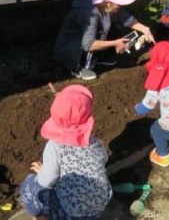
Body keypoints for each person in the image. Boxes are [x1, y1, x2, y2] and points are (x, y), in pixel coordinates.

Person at [19, 85, 112, 220]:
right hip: (99, 207)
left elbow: (47, 180)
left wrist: (42, 172)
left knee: (28, 186)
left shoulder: (55, 146)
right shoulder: (95, 142)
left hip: (71, 214)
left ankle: (41, 217)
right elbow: (105, 159)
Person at [54, 0, 155, 80]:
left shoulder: (105, 6)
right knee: (93, 40)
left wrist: (144, 29)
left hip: (87, 39)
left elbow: (124, 17)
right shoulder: (90, 14)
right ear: (108, 2)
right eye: (118, 3)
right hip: (72, 47)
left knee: (111, 24)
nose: (121, 5)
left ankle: (103, 57)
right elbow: (88, 44)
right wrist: (115, 43)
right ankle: (78, 67)